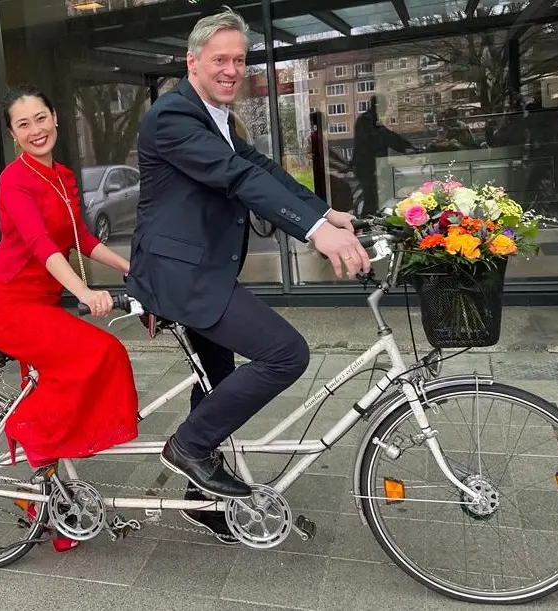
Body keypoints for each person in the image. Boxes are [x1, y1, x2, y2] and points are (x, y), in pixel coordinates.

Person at [126, 8, 371, 542]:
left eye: (239, 59)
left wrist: (324, 213)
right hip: (179, 277)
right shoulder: (172, 116)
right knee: (286, 353)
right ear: (193, 62)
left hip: (203, 270)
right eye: (220, 59)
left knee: (216, 383)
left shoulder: (217, 117)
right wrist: (314, 234)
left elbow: (262, 169)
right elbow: (235, 176)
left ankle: (201, 498)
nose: (232, 69)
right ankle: (188, 447)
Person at [0, 85, 139, 469]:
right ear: (13, 134)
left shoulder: (61, 176)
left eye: (41, 118)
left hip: (40, 304)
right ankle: (25, 429)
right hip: (8, 305)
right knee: (101, 352)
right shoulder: (14, 179)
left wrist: (130, 267)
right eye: (24, 124)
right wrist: (85, 291)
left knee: (57, 382)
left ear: (56, 119)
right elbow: (40, 243)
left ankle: (50, 505)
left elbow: (81, 238)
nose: (36, 130)